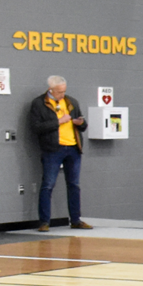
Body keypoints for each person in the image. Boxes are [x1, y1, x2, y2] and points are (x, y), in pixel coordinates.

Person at [27, 74, 89, 232]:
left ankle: (76, 219)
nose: (62, 95)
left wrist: (80, 123)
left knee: (74, 185)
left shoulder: (71, 101)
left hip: (73, 148)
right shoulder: (39, 104)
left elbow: (83, 125)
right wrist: (58, 122)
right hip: (53, 149)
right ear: (50, 89)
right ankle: (44, 222)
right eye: (59, 92)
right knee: (48, 185)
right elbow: (35, 127)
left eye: (64, 91)